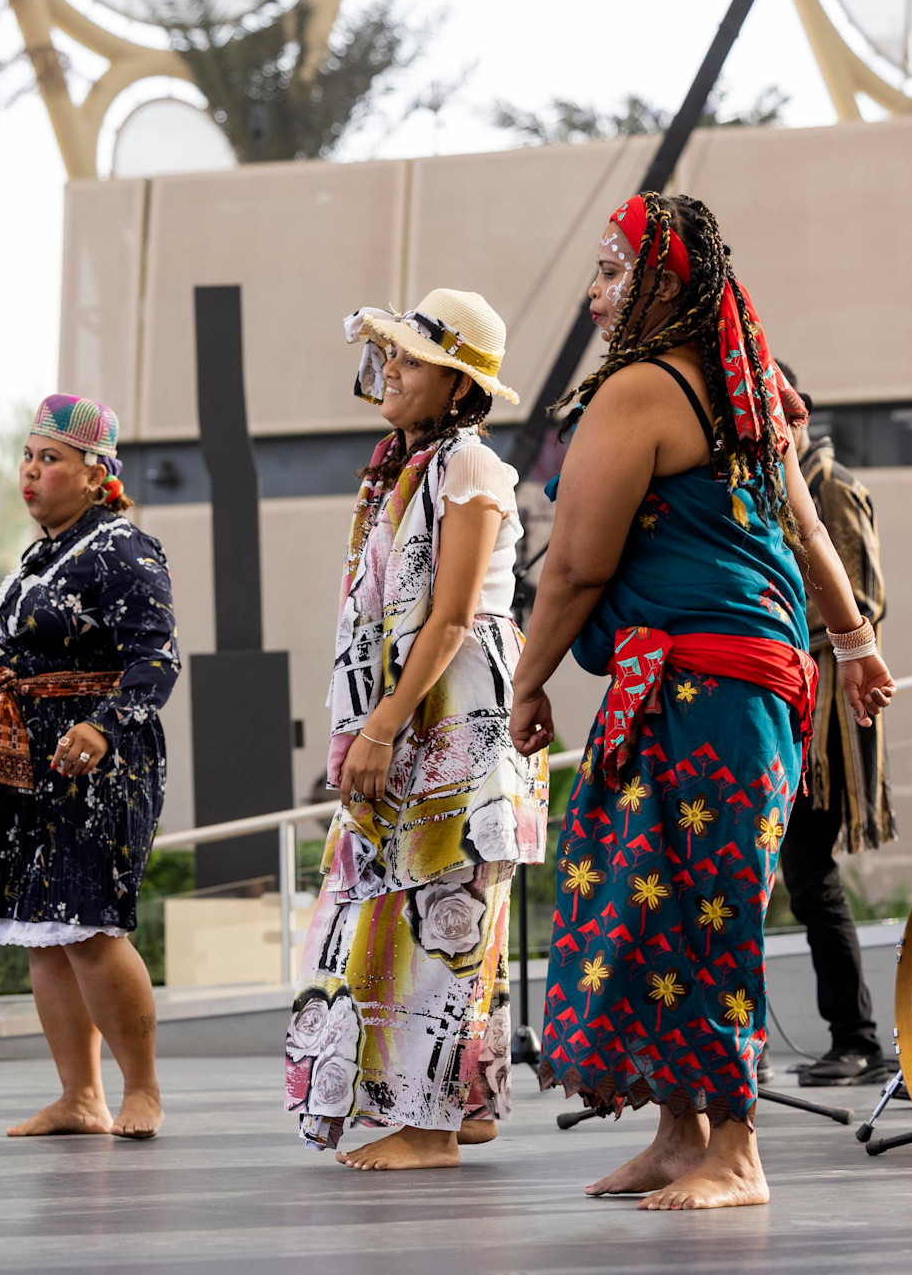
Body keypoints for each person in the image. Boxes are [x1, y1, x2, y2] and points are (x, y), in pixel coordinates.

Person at [513, 193, 896, 1211]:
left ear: (664, 284)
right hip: (732, 687)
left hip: (706, 689)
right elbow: (804, 532)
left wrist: (526, 680)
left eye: (612, 272)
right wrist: (855, 643)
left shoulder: (640, 389)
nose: (595, 296)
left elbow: (574, 568)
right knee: (656, 902)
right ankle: (678, 1133)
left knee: (698, 912)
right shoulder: (743, 385)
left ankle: (736, 1149)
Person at [284, 290, 549, 1171]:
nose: (390, 369)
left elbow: (453, 616)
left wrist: (381, 727)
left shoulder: (468, 465)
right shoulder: (408, 467)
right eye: (391, 354)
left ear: (459, 385)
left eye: (411, 359)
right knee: (425, 910)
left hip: (456, 711)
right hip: (424, 708)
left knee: (444, 916)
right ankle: (466, 1106)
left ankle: (429, 1130)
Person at [0, 394, 177, 1141]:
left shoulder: (123, 548)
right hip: (28, 755)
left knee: (89, 924)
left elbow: (156, 662)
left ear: (95, 474)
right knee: (44, 928)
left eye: (49, 459)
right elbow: (21, 672)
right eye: (27, 457)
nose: (30, 471)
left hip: (98, 762)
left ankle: (143, 1091)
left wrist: (102, 727)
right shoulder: (43, 554)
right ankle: (79, 1096)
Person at [780, 379, 896, 1088]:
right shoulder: (793, 483)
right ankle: (852, 1037)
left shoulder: (832, 486)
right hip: (799, 706)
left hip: (825, 718)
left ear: (796, 417)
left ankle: (856, 1040)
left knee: (809, 874)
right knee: (804, 877)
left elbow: (866, 601)